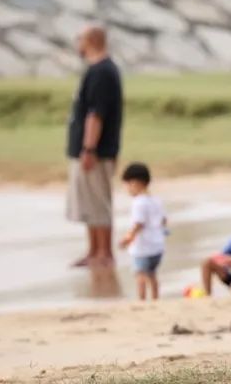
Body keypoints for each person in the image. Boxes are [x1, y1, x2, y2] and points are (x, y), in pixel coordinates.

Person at [66, 26, 124, 268]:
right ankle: (93, 251)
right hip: (87, 150)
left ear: (90, 41)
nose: (78, 44)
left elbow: (96, 114)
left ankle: (104, 253)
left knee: (99, 202)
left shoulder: (103, 72)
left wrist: (89, 148)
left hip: (97, 151)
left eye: (80, 39)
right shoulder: (94, 70)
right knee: (88, 203)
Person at [118, 163, 167, 301]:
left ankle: (142, 300)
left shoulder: (138, 202)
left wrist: (128, 238)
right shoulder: (156, 200)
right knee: (152, 274)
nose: (128, 189)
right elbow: (163, 220)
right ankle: (155, 298)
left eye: (128, 185)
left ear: (135, 183)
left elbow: (138, 224)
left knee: (140, 275)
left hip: (143, 248)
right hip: (157, 246)